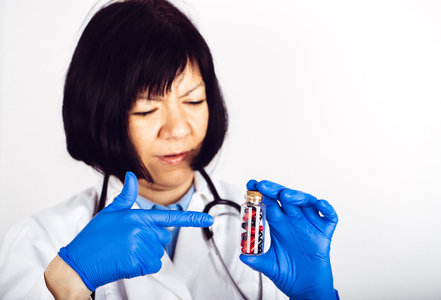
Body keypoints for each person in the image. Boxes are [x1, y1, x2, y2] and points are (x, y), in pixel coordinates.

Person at [0, 0, 339, 299]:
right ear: (98, 113)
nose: (178, 129)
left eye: (193, 100)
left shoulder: (256, 227)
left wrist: (316, 297)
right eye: (147, 109)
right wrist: (70, 286)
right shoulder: (40, 240)